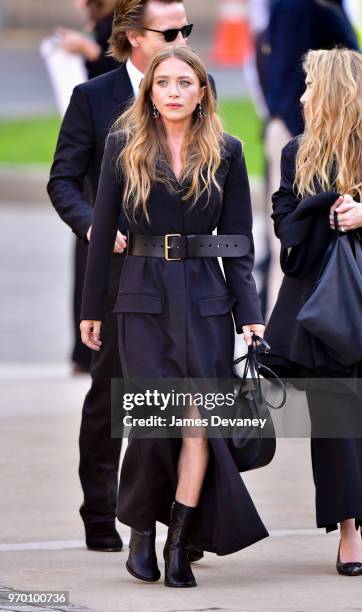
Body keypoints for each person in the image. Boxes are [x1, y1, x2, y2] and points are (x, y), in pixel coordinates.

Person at [80, 45, 268, 587]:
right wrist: (93, 309)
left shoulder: (227, 152)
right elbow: (100, 240)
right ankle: (141, 528)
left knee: (196, 424)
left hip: (206, 300)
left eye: (185, 82)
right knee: (151, 423)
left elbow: (237, 241)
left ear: (203, 92)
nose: (174, 91)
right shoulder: (123, 146)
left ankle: (180, 545)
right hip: (141, 296)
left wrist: (249, 313)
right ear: (150, 92)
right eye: (163, 83)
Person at [47, 0, 201, 553]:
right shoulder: (93, 98)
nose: (183, 37)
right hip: (116, 272)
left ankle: (177, 519)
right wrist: (94, 226)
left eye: (189, 27)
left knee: (181, 397)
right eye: (171, 30)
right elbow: (63, 180)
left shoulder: (196, 89)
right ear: (134, 35)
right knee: (112, 395)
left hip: (183, 276)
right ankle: (101, 512)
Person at [262, 48, 362, 576]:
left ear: (332, 92)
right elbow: (286, 230)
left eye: (308, 87)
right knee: (336, 426)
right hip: (319, 313)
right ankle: (350, 532)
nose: (300, 96)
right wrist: (319, 207)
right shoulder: (297, 152)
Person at [262, 0, 359, 318]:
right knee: (290, 258)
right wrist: (312, 140)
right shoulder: (297, 6)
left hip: (336, 130)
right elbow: (289, 76)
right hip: (307, 131)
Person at [55, 0, 119, 375]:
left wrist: (90, 50)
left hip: (108, 147)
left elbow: (113, 67)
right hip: (95, 153)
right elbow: (61, 180)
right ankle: (84, 350)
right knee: (89, 242)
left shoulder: (119, 19)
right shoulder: (101, 19)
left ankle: (89, 351)